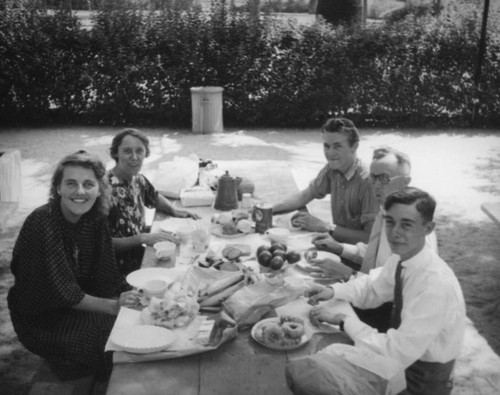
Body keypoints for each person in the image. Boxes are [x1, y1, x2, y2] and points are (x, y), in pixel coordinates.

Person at [307, 187, 466, 394]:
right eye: (390, 221)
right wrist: (332, 291)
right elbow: (372, 288)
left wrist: (345, 321)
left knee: (317, 374)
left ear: (428, 228)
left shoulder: (435, 286)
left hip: (422, 379)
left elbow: (395, 351)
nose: (394, 232)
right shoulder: (403, 259)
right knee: (315, 366)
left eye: (406, 224)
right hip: (401, 363)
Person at [8, 151, 141, 380]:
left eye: (88, 184)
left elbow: (106, 273)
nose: (80, 191)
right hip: (44, 318)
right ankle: (82, 371)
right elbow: (61, 291)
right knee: (112, 336)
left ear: (99, 188)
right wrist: (113, 307)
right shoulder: (42, 222)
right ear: (58, 187)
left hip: (79, 302)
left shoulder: (96, 217)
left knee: (136, 321)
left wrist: (131, 296)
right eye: (71, 183)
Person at [107, 128, 200, 275]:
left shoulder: (138, 179)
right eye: (127, 151)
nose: (134, 157)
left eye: (139, 151)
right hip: (115, 269)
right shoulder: (104, 190)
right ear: (115, 153)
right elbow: (102, 243)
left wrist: (173, 210)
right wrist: (142, 238)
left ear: (146, 154)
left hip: (138, 256)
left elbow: (154, 197)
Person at [272, 117, 378, 244]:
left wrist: (326, 227)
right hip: (340, 247)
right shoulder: (332, 170)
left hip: (363, 259)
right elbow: (306, 194)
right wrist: (269, 209)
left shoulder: (368, 183)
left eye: (337, 146)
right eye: (326, 146)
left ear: (354, 147)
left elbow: (371, 239)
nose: (330, 153)